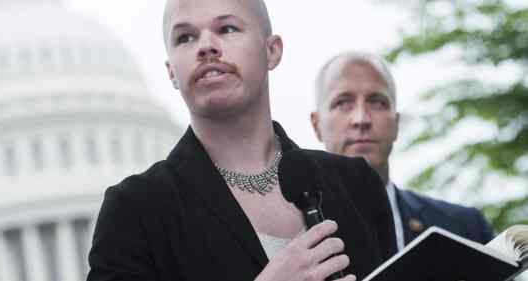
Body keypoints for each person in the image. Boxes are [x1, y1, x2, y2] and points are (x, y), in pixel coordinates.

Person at [86, 1, 396, 281]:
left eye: (227, 28)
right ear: (171, 72)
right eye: (186, 37)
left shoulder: (356, 184)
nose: (206, 46)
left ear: (272, 50)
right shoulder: (136, 210)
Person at [310, 51, 493, 251]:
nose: (361, 119)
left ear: (396, 124)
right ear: (317, 125)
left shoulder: (466, 230)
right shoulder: (286, 237)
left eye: (377, 102)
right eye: (343, 103)